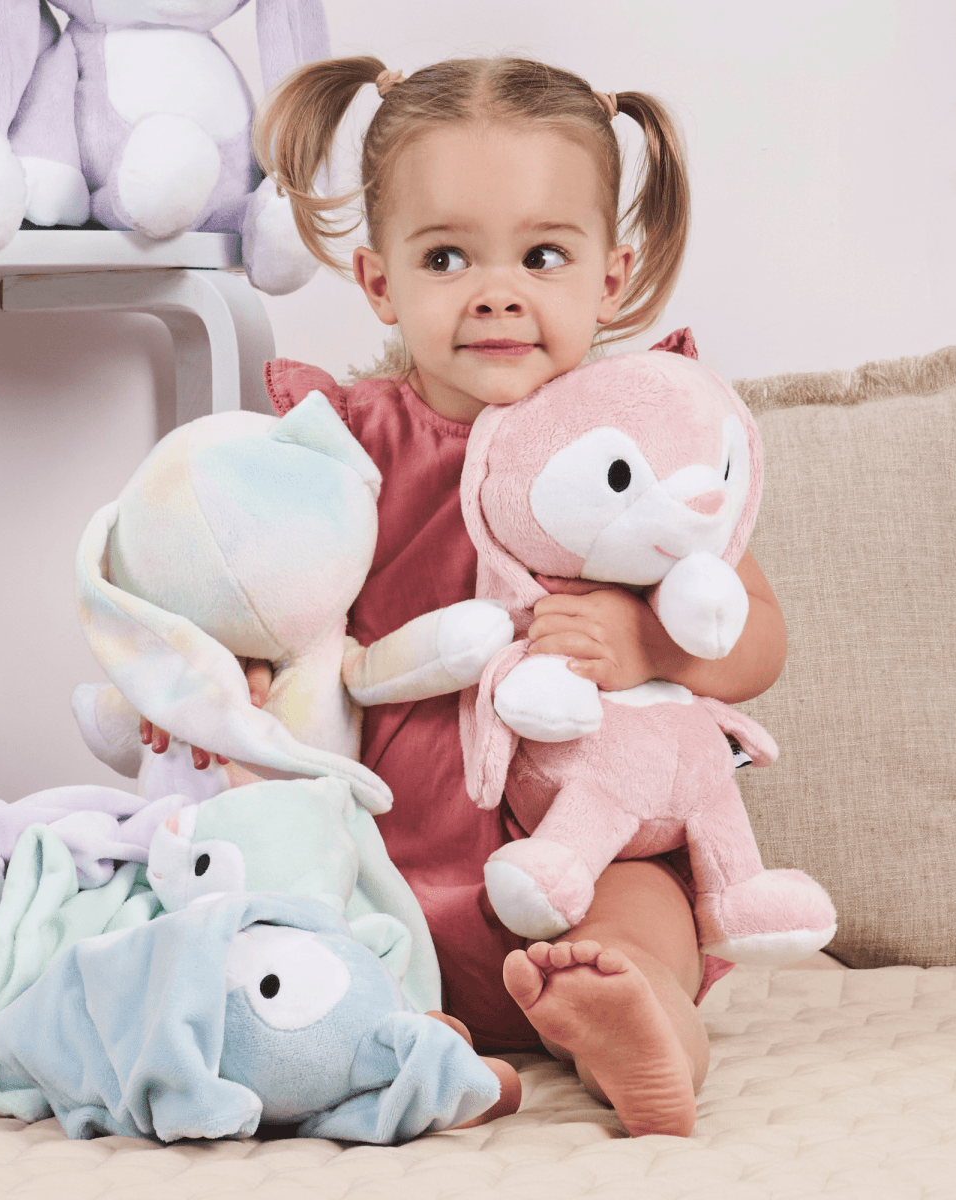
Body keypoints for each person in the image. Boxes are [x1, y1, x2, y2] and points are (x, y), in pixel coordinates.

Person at [145, 55, 788, 1138]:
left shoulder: (645, 438)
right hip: (385, 852)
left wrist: (649, 644)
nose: (496, 292)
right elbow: (261, 600)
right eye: (446, 257)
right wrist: (234, 677)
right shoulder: (337, 450)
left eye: (543, 256)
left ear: (612, 277)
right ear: (379, 281)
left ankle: (638, 1025)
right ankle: (391, 1036)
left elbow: (758, 635)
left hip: (588, 843)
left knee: (643, 918)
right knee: (291, 934)